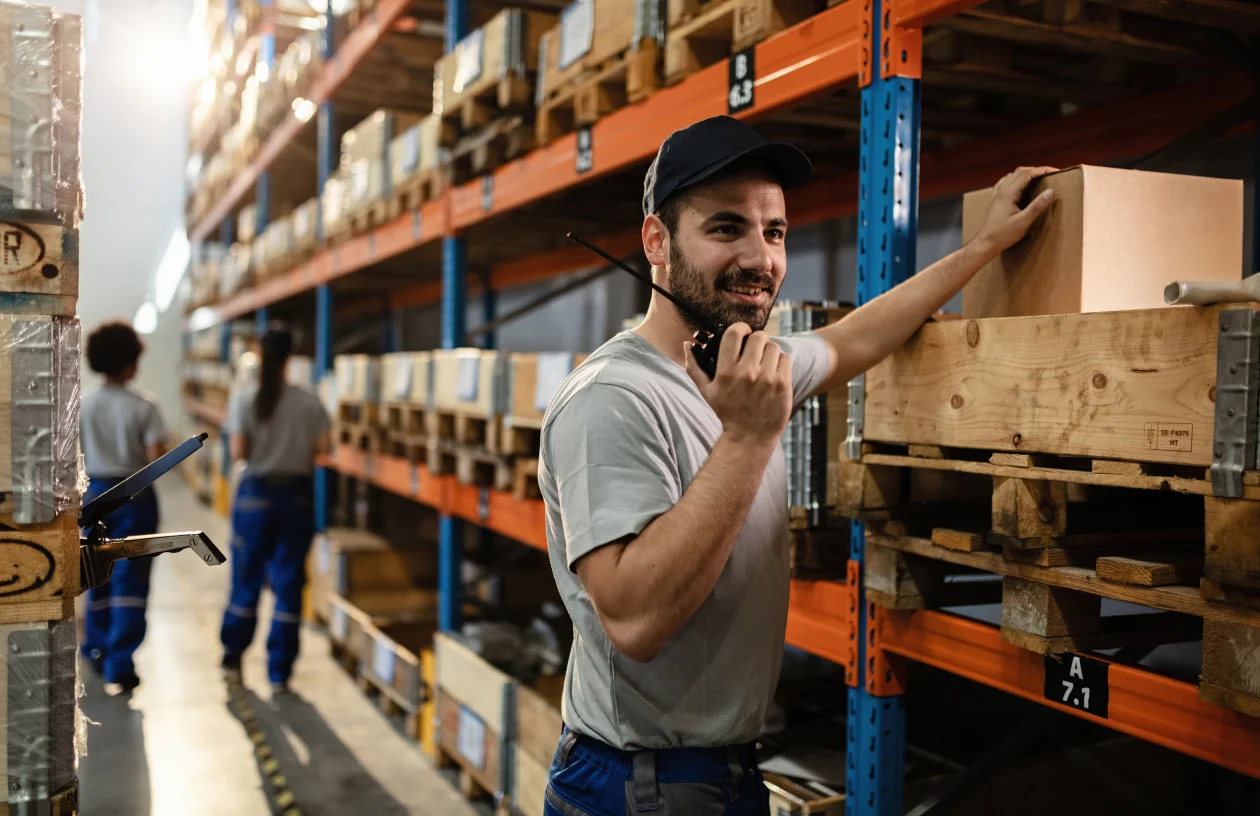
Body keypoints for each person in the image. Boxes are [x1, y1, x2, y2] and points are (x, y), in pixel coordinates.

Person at [537, 115, 1057, 814]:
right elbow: (635, 624)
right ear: (656, 242)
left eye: (775, 231)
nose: (761, 258)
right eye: (727, 228)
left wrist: (985, 247)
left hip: (719, 773)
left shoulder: (749, 367)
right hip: (638, 787)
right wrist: (749, 438)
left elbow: (852, 339)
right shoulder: (612, 399)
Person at [219, 328, 331, 693]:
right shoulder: (309, 402)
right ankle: (279, 673)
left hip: (255, 495)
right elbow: (324, 448)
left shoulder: (244, 400)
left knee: (246, 577)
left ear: (259, 355)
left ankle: (233, 657)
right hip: (296, 499)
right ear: (290, 358)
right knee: (288, 582)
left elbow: (238, 453)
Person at [80, 321, 169, 696]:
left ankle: (95, 651)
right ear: (130, 363)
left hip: (94, 495)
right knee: (131, 578)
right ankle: (121, 663)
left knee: (95, 573)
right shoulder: (145, 406)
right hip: (135, 495)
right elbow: (156, 458)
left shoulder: (82, 405)